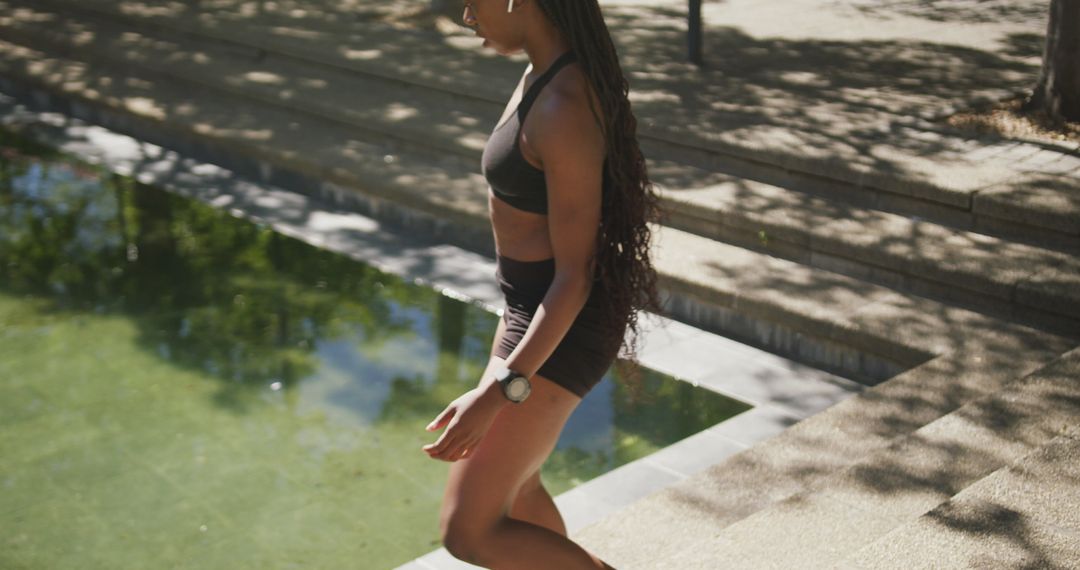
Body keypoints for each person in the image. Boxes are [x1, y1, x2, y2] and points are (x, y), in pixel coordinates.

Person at [421, 0, 663, 568]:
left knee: (468, 530)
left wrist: (500, 389)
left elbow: (575, 277)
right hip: (528, 307)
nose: (466, 16)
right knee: (519, 491)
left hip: (561, 319)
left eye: (472, 2)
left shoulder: (564, 104)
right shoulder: (543, 72)